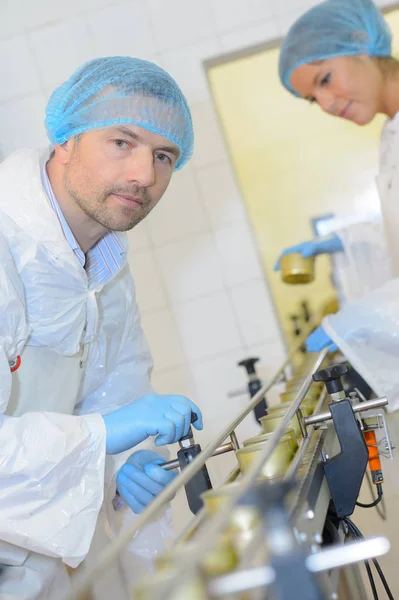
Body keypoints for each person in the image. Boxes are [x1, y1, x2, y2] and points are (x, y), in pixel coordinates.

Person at [0, 56, 203, 599]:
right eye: (122, 142)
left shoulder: (105, 264)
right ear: (66, 137)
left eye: (165, 156)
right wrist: (102, 437)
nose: (145, 175)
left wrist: (124, 464)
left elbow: (118, 394)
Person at [274, 0, 399, 410]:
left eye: (325, 79)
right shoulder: (391, 136)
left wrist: (356, 321)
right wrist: (343, 244)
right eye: (313, 98)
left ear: (363, 42)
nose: (326, 104)